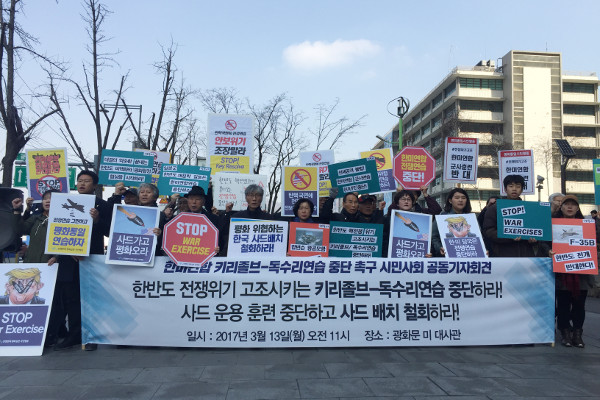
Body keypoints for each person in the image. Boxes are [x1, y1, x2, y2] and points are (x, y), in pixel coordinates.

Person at [51, 170, 110, 351]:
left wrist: (97, 219)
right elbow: (56, 229)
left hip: (91, 258)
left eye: (87, 181)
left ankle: (92, 336)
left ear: (95, 185)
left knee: (90, 299)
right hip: (68, 259)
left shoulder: (102, 205)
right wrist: (64, 251)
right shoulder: (64, 202)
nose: (82, 184)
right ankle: (74, 334)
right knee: (71, 299)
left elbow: (109, 231)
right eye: (80, 180)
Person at [550, 195, 595, 348]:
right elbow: (545, 243)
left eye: (573, 205)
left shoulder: (587, 225)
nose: (570, 207)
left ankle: (577, 333)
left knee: (579, 305)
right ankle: (565, 333)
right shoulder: (553, 224)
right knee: (562, 304)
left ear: (577, 208)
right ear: (561, 207)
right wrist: (549, 251)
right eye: (566, 204)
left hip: (581, 273)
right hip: (561, 273)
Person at [482, 175, 543, 257]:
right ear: (505, 189)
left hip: (526, 256)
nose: (514, 189)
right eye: (511, 186)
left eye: (518, 186)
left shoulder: (529, 209)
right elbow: (488, 231)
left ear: (522, 190)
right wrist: (509, 236)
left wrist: (534, 240)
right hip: (502, 255)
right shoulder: (495, 208)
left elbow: (536, 230)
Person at [12, 190, 58, 264]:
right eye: (45, 199)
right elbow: (19, 230)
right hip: (31, 265)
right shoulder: (35, 219)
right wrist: (16, 210)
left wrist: (57, 257)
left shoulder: (64, 222)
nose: (47, 201)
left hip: (51, 266)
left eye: (51, 198)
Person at [431, 188, 473, 257]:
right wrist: (439, 248)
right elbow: (434, 237)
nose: (460, 200)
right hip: (447, 257)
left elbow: (479, 237)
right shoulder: (442, 216)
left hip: (468, 257)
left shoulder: (471, 218)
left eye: (463, 198)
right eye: (457, 198)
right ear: (450, 200)